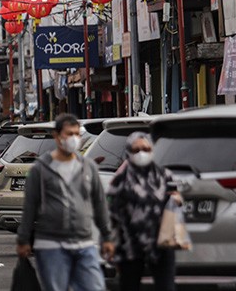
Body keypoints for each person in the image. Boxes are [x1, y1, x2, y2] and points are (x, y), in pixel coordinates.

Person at [16, 113, 114, 291]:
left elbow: (99, 203)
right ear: (57, 135)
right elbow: (30, 206)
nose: (74, 139)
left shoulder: (87, 167)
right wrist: (23, 239)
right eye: (69, 134)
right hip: (51, 245)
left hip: (84, 243)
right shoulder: (41, 169)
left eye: (77, 134)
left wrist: (107, 236)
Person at [107, 132, 177, 291]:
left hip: (161, 243)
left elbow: (174, 204)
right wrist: (112, 244)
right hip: (130, 245)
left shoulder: (164, 176)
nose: (141, 153)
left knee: (166, 286)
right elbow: (112, 215)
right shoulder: (120, 180)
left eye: (145, 149)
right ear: (128, 152)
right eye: (136, 149)